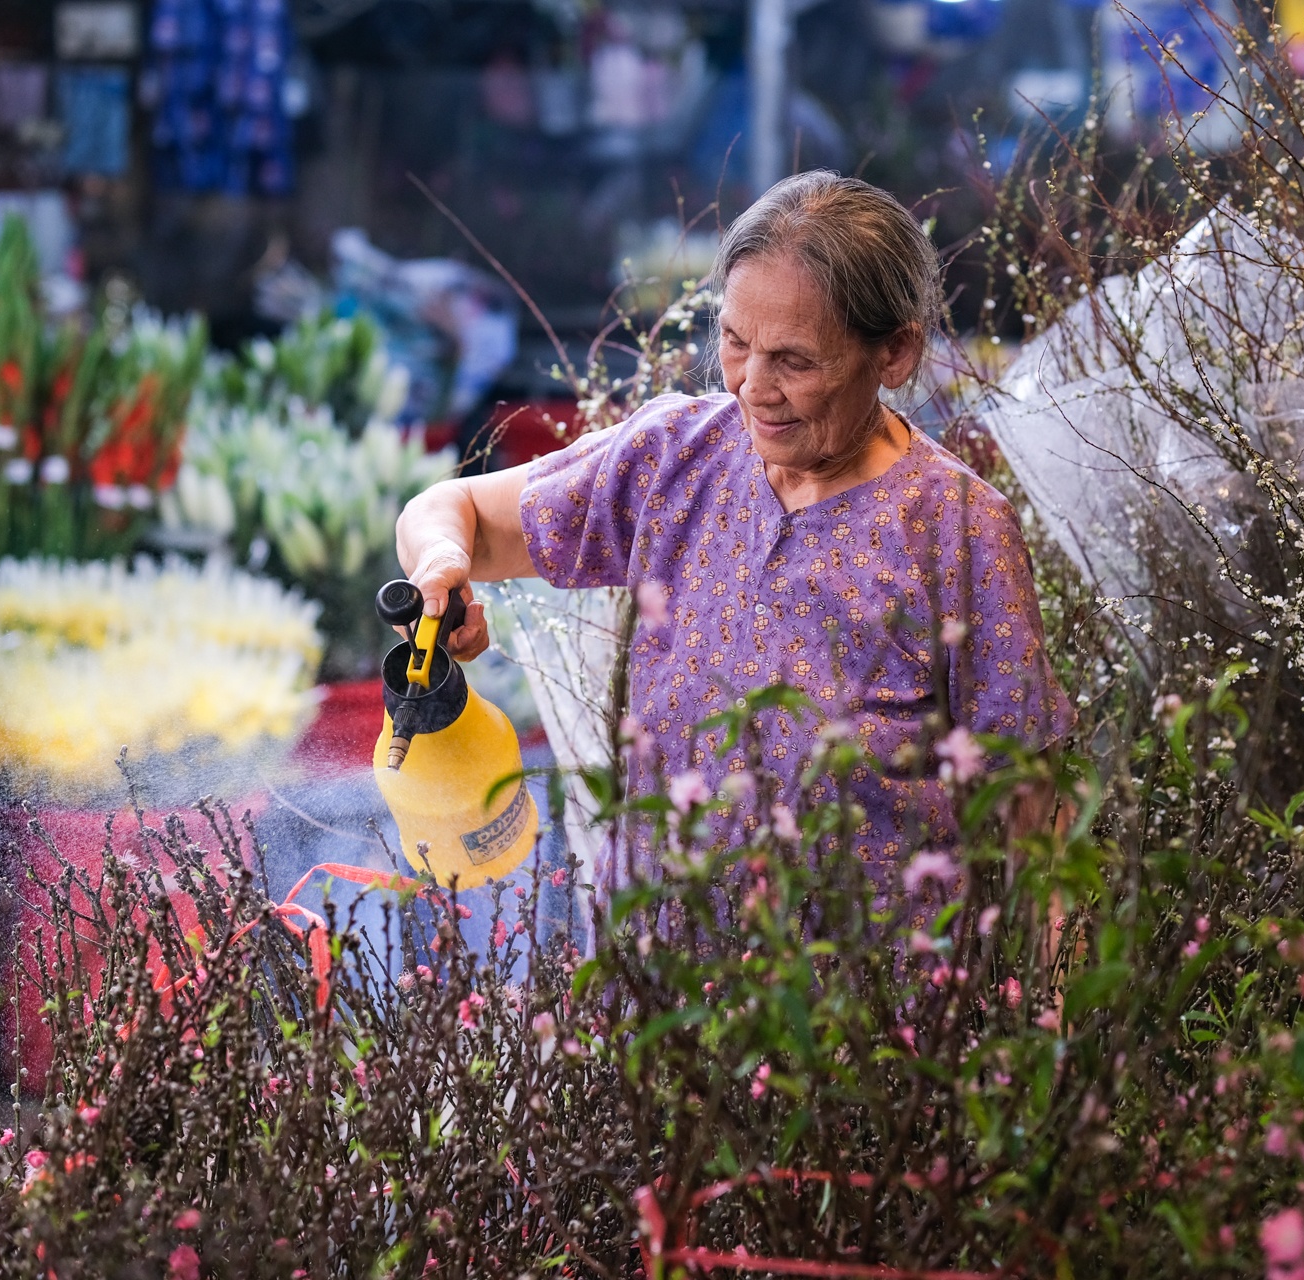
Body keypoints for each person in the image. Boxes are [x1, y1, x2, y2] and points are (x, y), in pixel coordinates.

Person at [395, 171, 1069, 887]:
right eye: (737, 342)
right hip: (658, 974)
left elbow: (1031, 801)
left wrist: (1049, 990)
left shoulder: (956, 529)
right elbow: (451, 512)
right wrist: (442, 565)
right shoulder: (678, 456)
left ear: (895, 353)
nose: (752, 385)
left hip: (858, 986)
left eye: (795, 361)